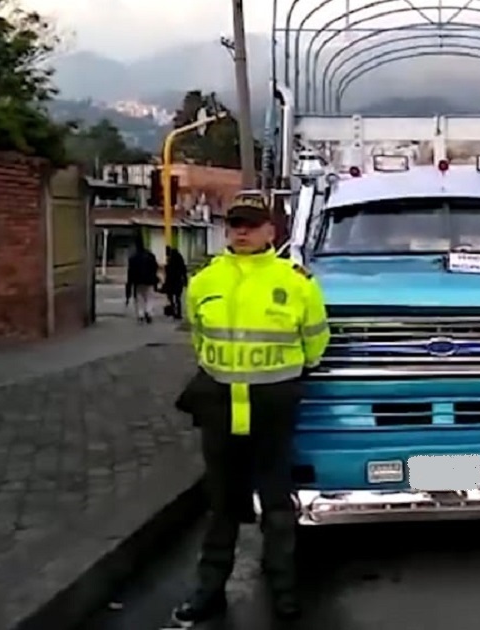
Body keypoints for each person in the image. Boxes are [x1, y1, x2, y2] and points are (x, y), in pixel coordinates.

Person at [171, 191, 330, 624]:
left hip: (272, 405)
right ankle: (209, 591)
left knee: (277, 504)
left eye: (251, 224)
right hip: (221, 404)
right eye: (235, 223)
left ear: (269, 231)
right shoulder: (205, 280)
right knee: (221, 503)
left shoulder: (296, 281)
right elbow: (200, 339)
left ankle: (283, 591)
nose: (241, 231)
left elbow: (316, 342)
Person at [126, 238, 159, 323]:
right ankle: (148, 312)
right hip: (149, 280)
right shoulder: (150, 256)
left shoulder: (133, 258)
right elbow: (155, 268)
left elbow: (130, 272)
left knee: (139, 297)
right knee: (150, 297)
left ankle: (140, 314)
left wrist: (129, 285)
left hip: (138, 281)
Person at [162, 245, 187, 320]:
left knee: (171, 297)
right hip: (178, 282)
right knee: (178, 298)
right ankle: (178, 312)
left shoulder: (170, 261)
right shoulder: (180, 260)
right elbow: (184, 271)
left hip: (171, 282)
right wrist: (185, 281)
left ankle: (173, 310)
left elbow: (168, 273)